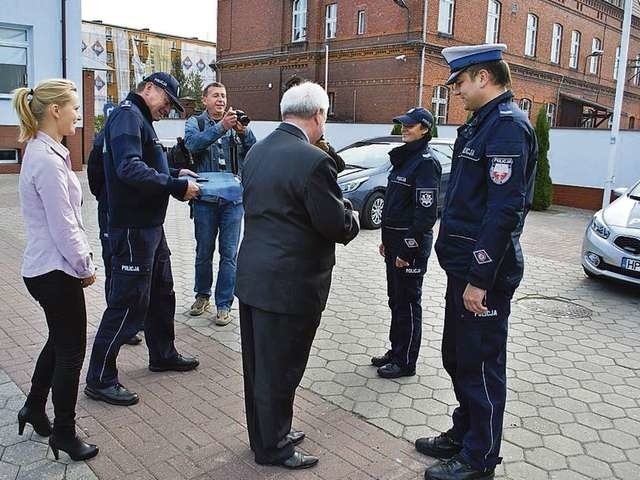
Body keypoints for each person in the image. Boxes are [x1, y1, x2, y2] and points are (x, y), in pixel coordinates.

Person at [415, 44, 538, 480]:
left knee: (481, 366)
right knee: (457, 357)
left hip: (483, 276)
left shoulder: (506, 128)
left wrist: (480, 279)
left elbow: (504, 212)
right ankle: (464, 433)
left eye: (461, 83)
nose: (458, 91)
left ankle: (479, 459)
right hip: (463, 270)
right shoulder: (481, 125)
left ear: (483, 78)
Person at [236, 82, 360, 469]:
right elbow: (334, 225)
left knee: (259, 367)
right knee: (282, 368)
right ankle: (274, 448)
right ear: (319, 115)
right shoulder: (312, 161)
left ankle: (266, 434)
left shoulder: (258, 150)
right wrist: (352, 216)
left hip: (255, 276)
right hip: (290, 285)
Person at [85, 72, 201, 406]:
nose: (169, 109)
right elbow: (127, 169)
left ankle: (163, 353)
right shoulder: (126, 116)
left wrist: (176, 173)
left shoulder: (140, 119)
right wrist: (175, 187)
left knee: (161, 292)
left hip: (150, 225)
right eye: (168, 101)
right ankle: (100, 377)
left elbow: (145, 163)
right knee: (127, 301)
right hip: (134, 228)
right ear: (149, 89)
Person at [13, 79, 99, 461]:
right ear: (55, 111)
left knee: (58, 342)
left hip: (45, 267)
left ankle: (33, 407)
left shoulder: (44, 151)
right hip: (55, 270)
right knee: (70, 352)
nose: (78, 115)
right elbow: (64, 224)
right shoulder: (47, 160)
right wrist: (84, 265)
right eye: (75, 108)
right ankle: (63, 433)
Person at [372, 107, 441, 379]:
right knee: (395, 300)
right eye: (403, 124)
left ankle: (406, 361)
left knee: (409, 303)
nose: (405, 129)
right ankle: (396, 349)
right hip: (394, 243)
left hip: (409, 247)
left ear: (424, 128)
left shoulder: (425, 162)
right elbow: (394, 205)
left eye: (410, 125)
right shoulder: (405, 159)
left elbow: (425, 215)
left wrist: (406, 249)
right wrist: (386, 242)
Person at [183, 82, 256, 325]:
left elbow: (254, 152)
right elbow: (192, 145)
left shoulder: (236, 125)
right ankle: (202, 295)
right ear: (204, 100)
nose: (221, 100)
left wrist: (244, 132)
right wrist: (221, 127)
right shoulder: (196, 123)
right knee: (204, 251)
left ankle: (223, 304)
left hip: (233, 202)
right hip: (204, 200)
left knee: (229, 254)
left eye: (224, 96)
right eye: (215, 96)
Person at [87, 128, 142, 346]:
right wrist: (106, 197)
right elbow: (94, 174)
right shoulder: (108, 136)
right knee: (115, 266)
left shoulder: (135, 130)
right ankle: (120, 326)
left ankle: (134, 320)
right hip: (111, 211)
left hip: (130, 213)